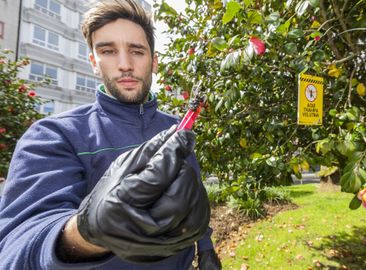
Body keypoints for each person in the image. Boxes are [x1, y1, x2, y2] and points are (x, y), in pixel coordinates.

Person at [0, 0, 221, 269]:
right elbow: (14, 251)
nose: (125, 64)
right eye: (108, 51)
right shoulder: (52, 136)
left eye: (137, 51)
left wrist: (206, 248)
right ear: (94, 62)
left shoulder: (177, 129)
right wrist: (85, 233)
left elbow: (194, 197)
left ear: (154, 61)